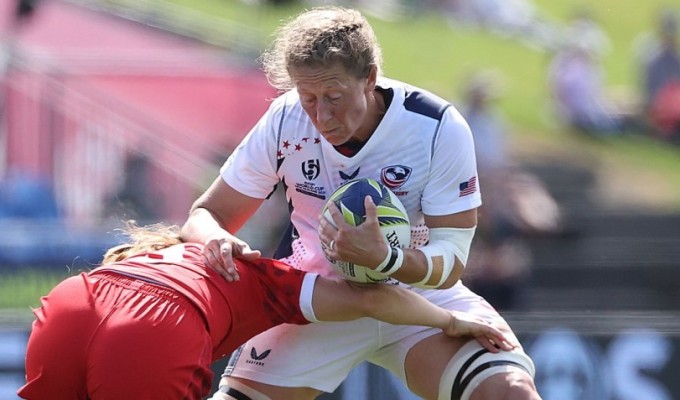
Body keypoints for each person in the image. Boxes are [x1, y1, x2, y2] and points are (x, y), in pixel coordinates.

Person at [181, 6, 541, 400]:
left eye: (334, 96)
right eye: (308, 97)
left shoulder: (436, 127)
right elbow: (207, 214)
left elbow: (452, 261)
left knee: (510, 391)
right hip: (317, 297)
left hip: (419, 295)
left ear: (370, 78)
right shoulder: (285, 120)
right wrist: (215, 238)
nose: (321, 115)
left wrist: (386, 259)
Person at [17, 221, 514, 400]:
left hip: (73, 302)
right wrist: (450, 318)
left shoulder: (162, 252)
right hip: (155, 325)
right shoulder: (266, 274)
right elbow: (372, 298)